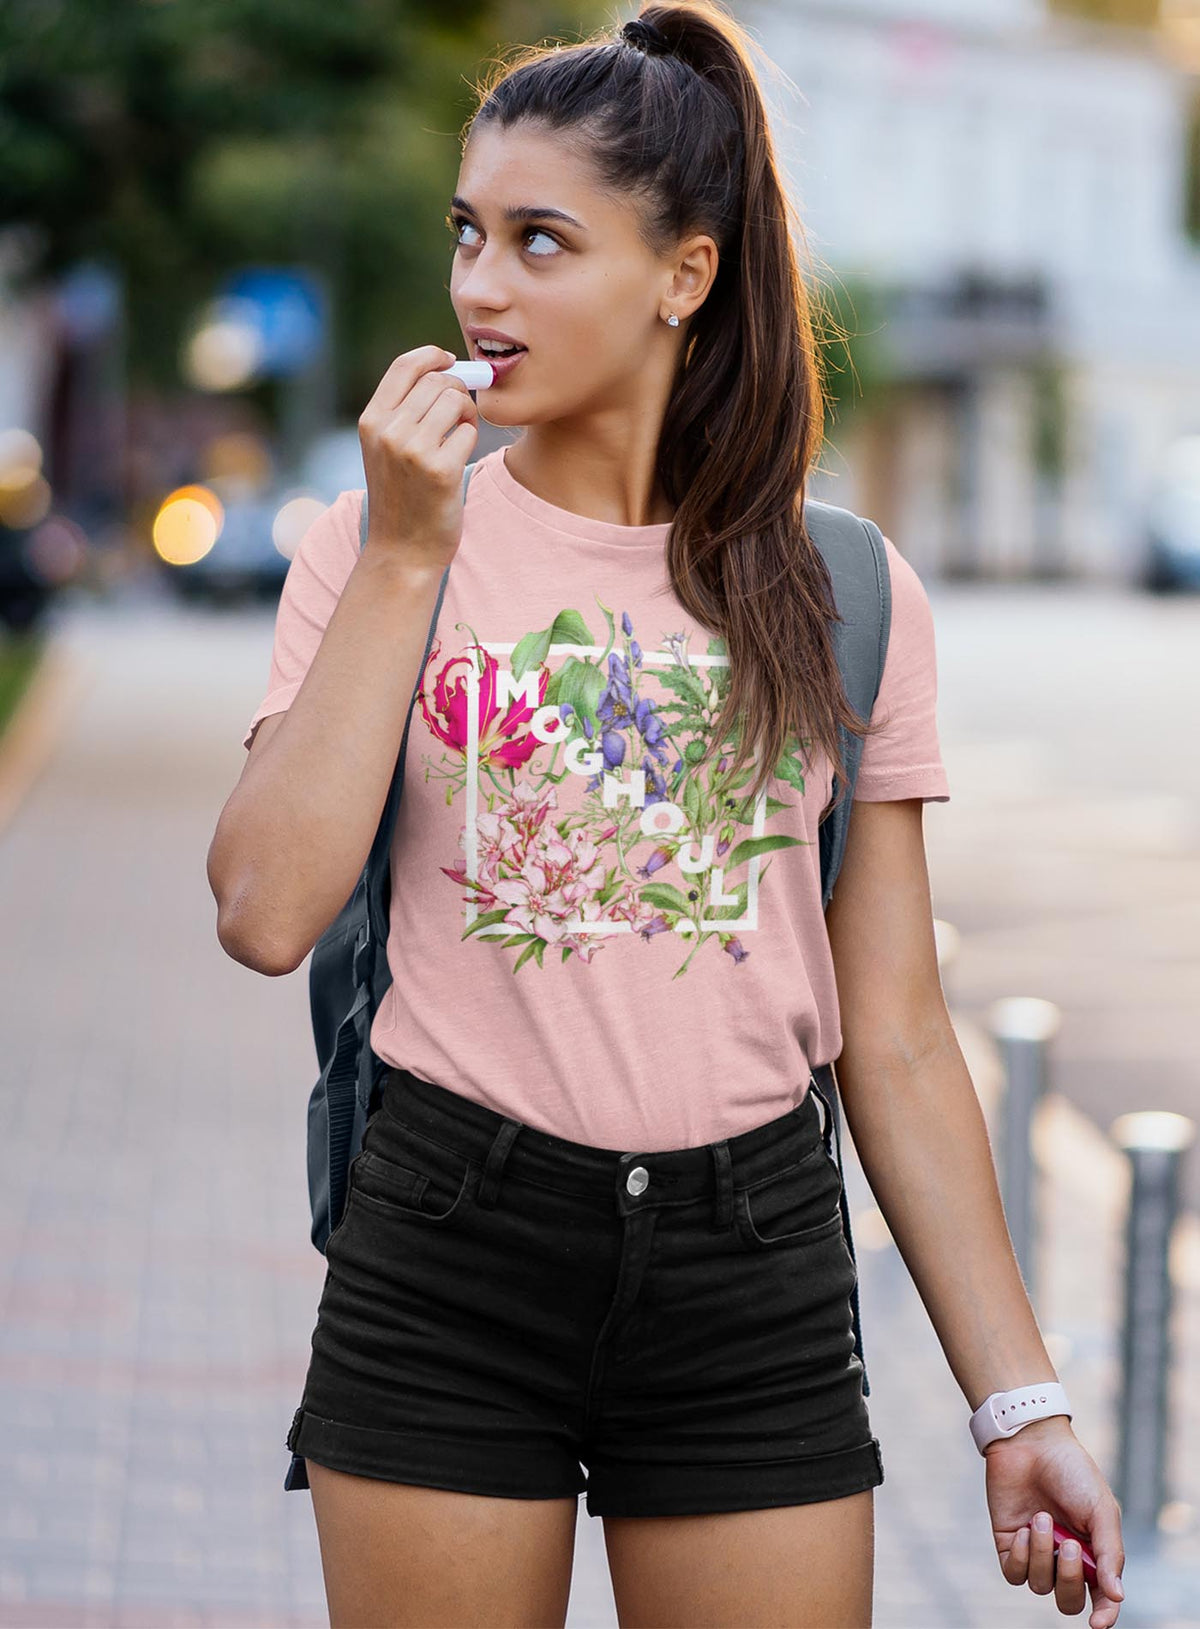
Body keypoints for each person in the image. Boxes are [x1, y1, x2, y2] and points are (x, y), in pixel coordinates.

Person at [208, 3, 1126, 1624]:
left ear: (682, 274)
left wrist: (1021, 1403)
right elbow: (265, 911)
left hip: (749, 1265)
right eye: (468, 236)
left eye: (540, 241)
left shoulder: (837, 588)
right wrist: (413, 553)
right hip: (449, 1245)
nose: (480, 289)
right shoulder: (375, 545)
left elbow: (896, 1031)